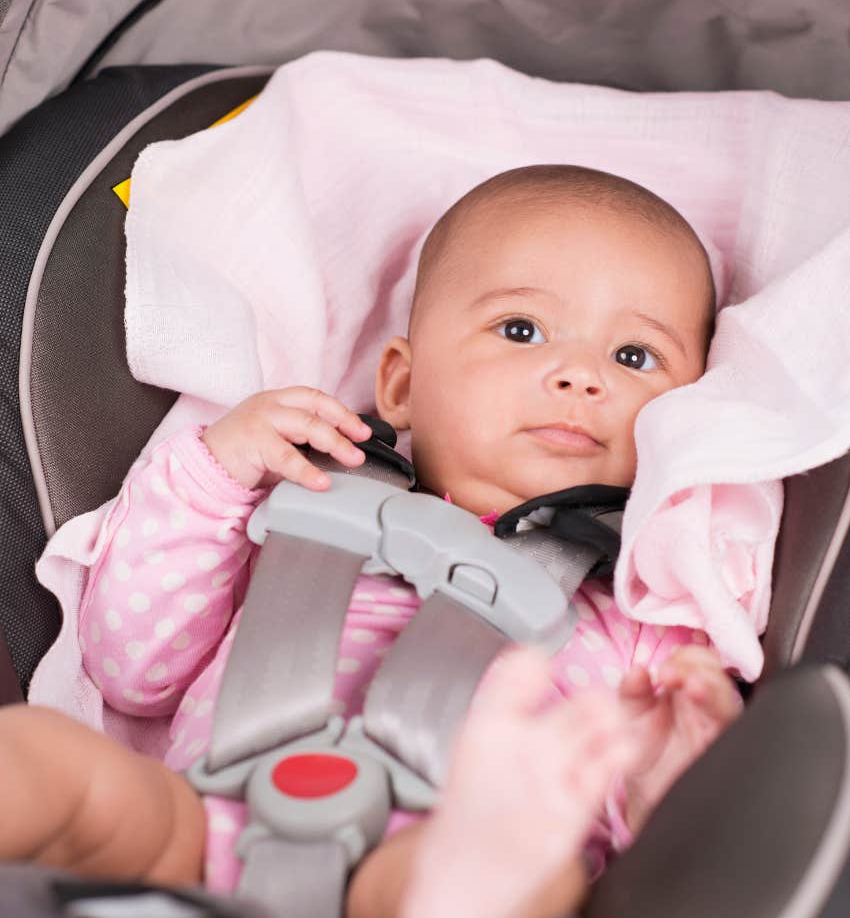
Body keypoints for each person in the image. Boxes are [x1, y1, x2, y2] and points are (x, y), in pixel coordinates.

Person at [9, 164, 741, 918]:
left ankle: (459, 888)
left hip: (441, 849)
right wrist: (213, 473)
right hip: (202, 826)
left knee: (529, 879)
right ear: (400, 383)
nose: (580, 376)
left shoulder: (642, 604)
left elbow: (657, 829)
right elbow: (135, 670)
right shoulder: (297, 506)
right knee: (44, 759)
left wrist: (669, 766)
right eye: (522, 330)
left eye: (634, 357)